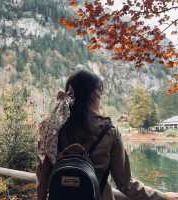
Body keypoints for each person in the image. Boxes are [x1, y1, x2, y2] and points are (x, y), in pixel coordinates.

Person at [36, 70, 178, 200]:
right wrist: (163, 196)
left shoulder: (52, 129)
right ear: (95, 95)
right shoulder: (109, 132)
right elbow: (125, 184)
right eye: (100, 94)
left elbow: (42, 179)